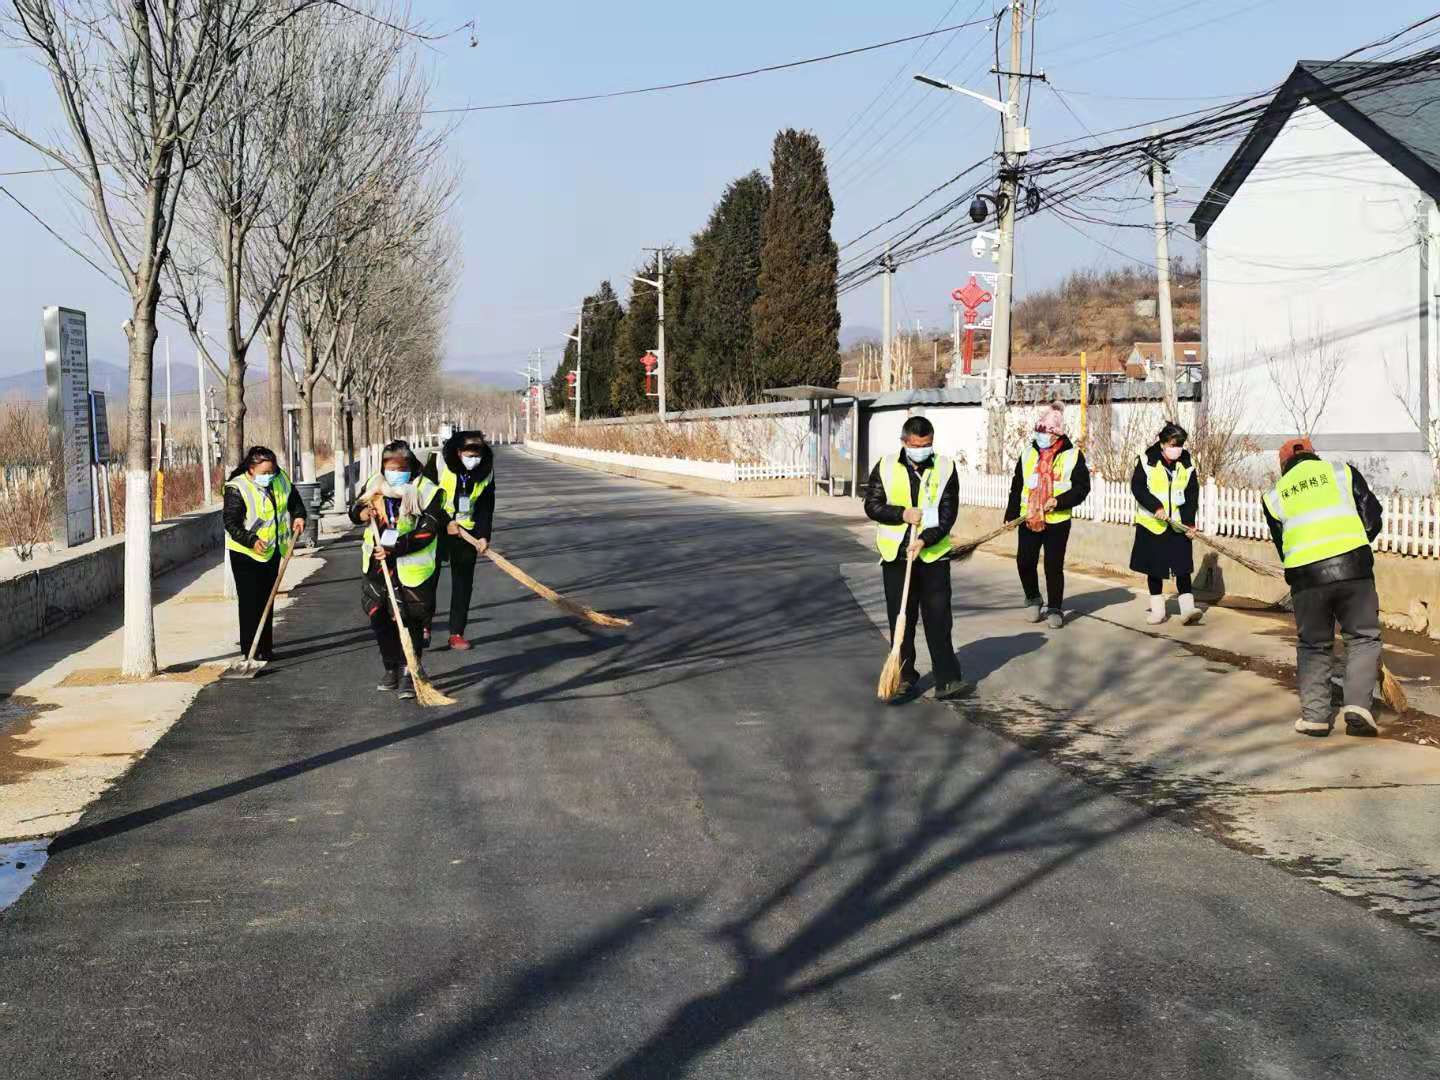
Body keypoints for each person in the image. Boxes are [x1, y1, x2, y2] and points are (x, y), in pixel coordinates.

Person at [1261, 437, 1384, 737]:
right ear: (1314, 455)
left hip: (1306, 577)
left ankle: (1315, 717)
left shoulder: (1274, 495)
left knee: (1313, 645)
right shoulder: (1342, 472)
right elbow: (1372, 520)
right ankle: (1358, 707)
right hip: (1353, 569)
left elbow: (1283, 544)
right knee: (1363, 637)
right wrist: (1353, 545)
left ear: (1283, 464)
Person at [863, 415, 968, 703]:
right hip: (897, 556)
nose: (922, 450)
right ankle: (904, 676)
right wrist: (902, 514)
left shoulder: (945, 468)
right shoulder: (885, 466)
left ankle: (947, 678)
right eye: (916, 445)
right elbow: (872, 506)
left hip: (933, 556)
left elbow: (948, 513)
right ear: (904, 442)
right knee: (902, 619)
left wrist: (925, 539)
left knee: (938, 619)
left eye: (927, 444)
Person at [349, 440, 447, 699]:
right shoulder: (375, 484)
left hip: (411, 568)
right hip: (377, 566)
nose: (394, 474)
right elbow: (355, 509)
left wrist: (395, 547)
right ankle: (390, 667)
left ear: (411, 466)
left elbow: (428, 530)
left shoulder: (428, 490)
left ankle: (409, 671)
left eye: (400, 469)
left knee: (410, 620)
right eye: (389, 469)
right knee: (379, 618)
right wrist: (361, 514)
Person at [1004, 401, 1090, 628]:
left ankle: (1055, 607)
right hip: (1029, 517)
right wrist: (1011, 514)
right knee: (1024, 561)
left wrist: (1059, 502)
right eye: (1038, 431)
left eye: (1044, 433)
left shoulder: (1072, 455)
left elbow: (1082, 488)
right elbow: (1017, 485)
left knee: (1053, 566)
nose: (1040, 436)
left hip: (1057, 521)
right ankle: (1033, 598)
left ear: (1056, 435)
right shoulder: (1027, 453)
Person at [223, 446, 306, 661]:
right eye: (264, 473)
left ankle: (266, 649)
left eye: (272, 471)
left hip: (272, 550)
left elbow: (294, 500)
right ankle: (250, 652)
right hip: (246, 554)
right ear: (251, 469)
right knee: (250, 603)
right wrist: (251, 540)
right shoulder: (237, 487)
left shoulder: (280, 479)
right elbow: (231, 523)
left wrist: (299, 515)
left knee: (267, 600)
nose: (269, 476)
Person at [421, 430, 495, 650]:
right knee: (427, 580)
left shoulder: (486, 471)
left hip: (466, 533)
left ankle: (456, 633)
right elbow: (424, 497)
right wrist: (445, 522)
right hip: (435, 529)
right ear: (458, 452)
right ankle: (423, 626)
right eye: (469, 455)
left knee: (463, 584)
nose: (474, 460)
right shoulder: (438, 463)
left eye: (478, 455)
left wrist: (483, 535)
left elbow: (486, 505)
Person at [1130, 421, 1202, 626]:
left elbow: (1191, 494)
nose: (1177, 449)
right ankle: (1158, 611)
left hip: (1177, 523)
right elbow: (1138, 488)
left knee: (1183, 566)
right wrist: (1156, 507)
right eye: (1172, 445)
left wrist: (1189, 522)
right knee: (1155, 569)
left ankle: (1187, 610)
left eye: (1180, 445)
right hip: (1153, 524)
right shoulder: (1147, 461)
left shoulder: (1187, 463)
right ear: (1162, 444)